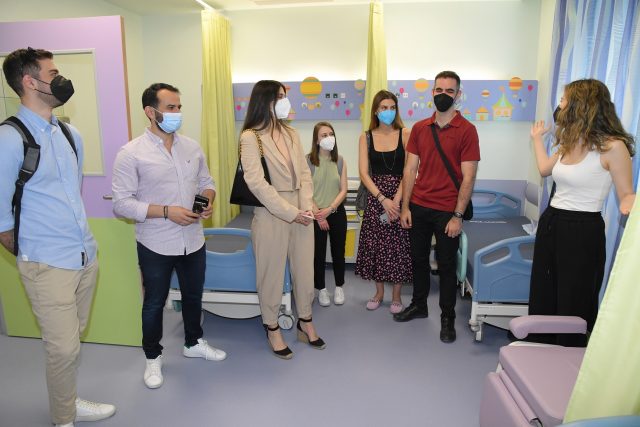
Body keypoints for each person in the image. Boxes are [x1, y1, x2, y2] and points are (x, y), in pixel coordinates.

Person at [0, 48, 115, 427]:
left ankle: (69, 400)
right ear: (30, 82)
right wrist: (33, 254)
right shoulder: (9, 138)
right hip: (46, 263)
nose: (61, 79)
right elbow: (1, 218)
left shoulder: (70, 133)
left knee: (72, 342)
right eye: (53, 73)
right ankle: (63, 418)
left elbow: (71, 193)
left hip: (84, 256)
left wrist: (84, 247)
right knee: (62, 348)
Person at [112, 83, 227, 389]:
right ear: (151, 112)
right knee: (154, 303)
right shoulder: (131, 153)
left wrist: (207, 200)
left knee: (193, 295)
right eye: (171, 108)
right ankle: (153, 357)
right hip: (156, 243)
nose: (177, 113)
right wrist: (166, 211)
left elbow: (207, 181)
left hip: (193, 239)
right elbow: (121, 204)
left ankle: (193, 342)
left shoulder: (191, 147)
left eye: (179, 107)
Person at [528, 78, 635, 346]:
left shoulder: (613, 147)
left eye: (563, 100)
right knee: (545, 287)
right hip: (552, 222)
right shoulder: (569, 141)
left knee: (574, 294)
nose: (560, 105)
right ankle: (541, 343)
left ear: (581, 105)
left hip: (583, 229)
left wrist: (629, 205)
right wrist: (537, 139)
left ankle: (569, 349)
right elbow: (544, 169)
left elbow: (627, 194)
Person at [240, 80, 325, 359]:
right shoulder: (250, 137)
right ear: (264, 100)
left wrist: (305, 207)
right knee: (271, 274)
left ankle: (305, 321)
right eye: (279, 96)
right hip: (271, 212)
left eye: (284, 96)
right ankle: (272, 326)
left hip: (302, 210)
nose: (284, 101)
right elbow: (256, 183)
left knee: (304, 271)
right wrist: (291, 212)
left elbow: (305, 174)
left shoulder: (291, 133)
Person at [396, 71, 480, 344]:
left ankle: (447, 317)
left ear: (458, 95)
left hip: (447, 211)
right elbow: (410, 169)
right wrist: (405, 207)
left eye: (449, 91)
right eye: (439, 90)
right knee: (418, 260)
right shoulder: (420, 128)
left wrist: (458, 216)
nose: (443, 95)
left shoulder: (467, 130)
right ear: (432, 92)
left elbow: (468, 177)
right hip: (418, 206)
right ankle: (419, 305)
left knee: (446, 266)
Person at [355, 90, 413, 314]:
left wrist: (396, 201)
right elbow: (363, 173)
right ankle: (379, 293)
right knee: (376, 246)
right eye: (384, 108)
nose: (388, 111)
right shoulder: (366, 137)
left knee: (399, 247)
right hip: (376, 197)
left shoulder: (406, 134)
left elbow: (409, 170)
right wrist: (382, 200)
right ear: (375, 111)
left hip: (400, 196)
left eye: (392, 107)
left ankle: (396, 296)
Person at [307, 121, 348, 306]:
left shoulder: (340, 160)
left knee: (339, 252)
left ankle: (339, 287)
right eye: (324, 135)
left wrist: (330, 209)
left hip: (336, 211)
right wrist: (319, 214)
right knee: (318, 254)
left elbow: (343, 190)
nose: (329, 138)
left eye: (331, 134)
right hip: (315, 214)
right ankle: (321, 289)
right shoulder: (308, 161)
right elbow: (306, 191)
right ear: (316, 140)